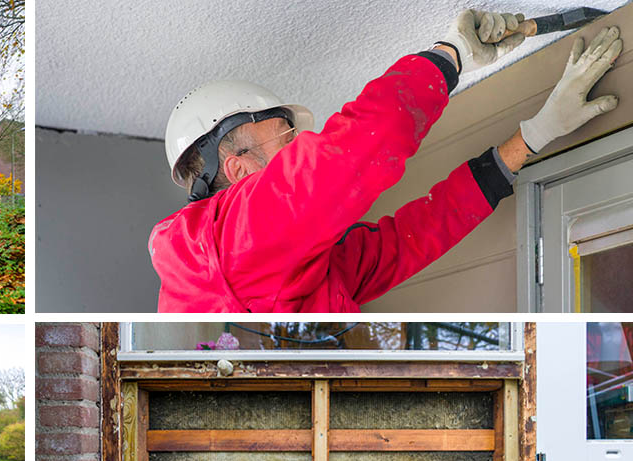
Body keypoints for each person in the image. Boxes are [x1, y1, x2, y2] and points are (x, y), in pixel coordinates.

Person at [151, 9, 623, 312]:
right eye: (289, 141)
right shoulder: (229, 246)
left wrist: (532, 137)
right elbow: (356, 150)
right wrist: (450, 56)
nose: (304, 149)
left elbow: (411, 240)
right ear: (238, 169)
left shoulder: (297, 273)